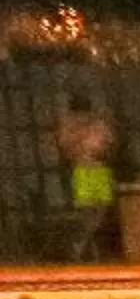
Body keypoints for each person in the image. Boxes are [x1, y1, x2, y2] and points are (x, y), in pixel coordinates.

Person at [52, 95, 115, 260]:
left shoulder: (97, 122)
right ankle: (79, 247)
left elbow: (108, 143)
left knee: (101, 210)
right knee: (87, 211)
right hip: (82, 168)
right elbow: (65, 146)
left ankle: (83, 246)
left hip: (98, 168)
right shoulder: (68, 124)